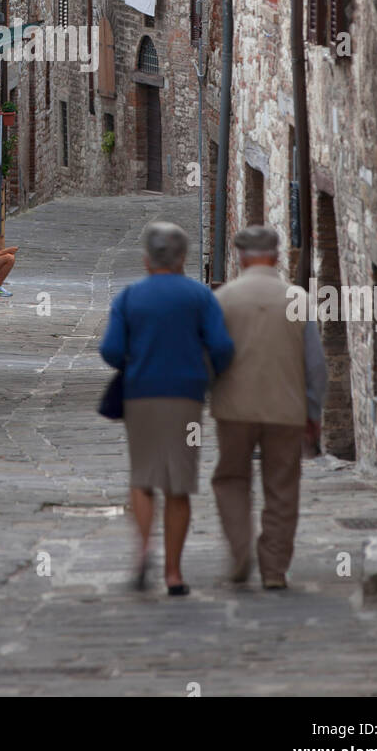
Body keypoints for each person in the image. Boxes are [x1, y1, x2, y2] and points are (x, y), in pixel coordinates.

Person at [99, 221, 234, 596]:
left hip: (140, 396)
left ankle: (144, 550)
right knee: (179, 484)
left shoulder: (129, 298)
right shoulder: (200, 297)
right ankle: (173, 573)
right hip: (185, 400)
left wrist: (137, 356)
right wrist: (209, 374)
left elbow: (110, 350)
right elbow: (222, 346)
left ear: (146, 260)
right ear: (183, 258)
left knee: (142, 477)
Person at [211, 224, 328, 591]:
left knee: (231, 480)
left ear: (240, 257)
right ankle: (275, 569)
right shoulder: (295, 298)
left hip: (234, 409)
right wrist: (313, 411)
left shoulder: (223, 300)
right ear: (276, 257)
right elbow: (316, 365)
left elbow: (210, 357)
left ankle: (240, 549)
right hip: (286, 410)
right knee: (282, 487)